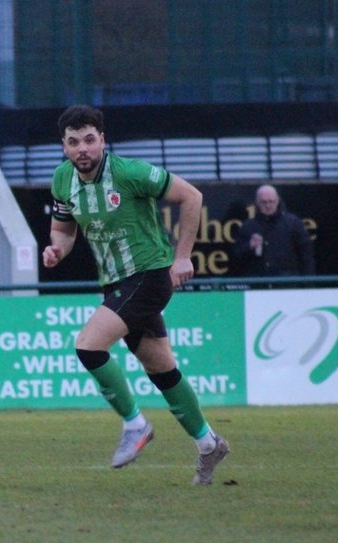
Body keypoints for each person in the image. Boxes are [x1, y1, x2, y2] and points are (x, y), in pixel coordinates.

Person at [42, 105, 229, 485]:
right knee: (162, 370)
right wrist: (57, 250)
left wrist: (182, 257)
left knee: (88, 346)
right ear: (63, 147)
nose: (83, 149)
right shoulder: (63, 180)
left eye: (90, 140)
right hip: (115, 282)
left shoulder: (129, 173)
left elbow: (191, 196)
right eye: (74, 142)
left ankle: (135, 424)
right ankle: (209, 444)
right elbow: (63, 230)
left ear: (103, 141)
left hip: (148, 275)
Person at [231, 184, 315, 277]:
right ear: (257, 203)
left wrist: (307, 283)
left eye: (271, 201)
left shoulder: (293, 223)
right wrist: (249, 247)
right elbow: (235, 258)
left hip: (287, 283)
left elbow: (306, 256)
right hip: (259, 284)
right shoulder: (248, 226)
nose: (268, 205)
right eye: (264, 202)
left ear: (278, 201)